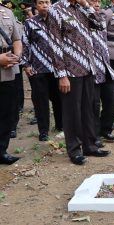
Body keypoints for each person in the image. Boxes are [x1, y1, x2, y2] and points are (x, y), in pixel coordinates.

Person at [47, 0, 110, 165]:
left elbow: (100, 25)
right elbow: (55, 44)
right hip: (70, 71)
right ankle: (74, 150)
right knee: (72, 112)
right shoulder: (56, 10)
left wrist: (87, 6)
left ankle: (90, 145)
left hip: (88, 67)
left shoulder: (82, 9)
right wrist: (62, 75)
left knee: (88, 109)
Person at [21, 0, 63, 142]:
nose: (44, 5)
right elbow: (25, 44)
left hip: (57, 69)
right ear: (36, 6)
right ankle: (43, 131)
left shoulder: (59, 21)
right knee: (41, 102)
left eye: (47, 2)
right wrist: (26, 64)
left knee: (59, 99)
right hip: (38, 69)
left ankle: (61, 125)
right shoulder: (30, 23)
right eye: (41, 3)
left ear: (51, 4)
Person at [87, 0, 114, 144]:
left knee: (112, 98)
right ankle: (93, 134)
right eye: (92, 0)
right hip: (91, 67)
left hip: (105, 65)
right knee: (93, 104)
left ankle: (105, 129)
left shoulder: (102, 17)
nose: (97, 3)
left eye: (98, 0)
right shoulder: (81, 16)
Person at [0, 2, 23, 165]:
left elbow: (16, 38)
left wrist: (17, 55)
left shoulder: (7, 12)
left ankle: (1, 150)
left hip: (8, 69)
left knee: (7, 112)